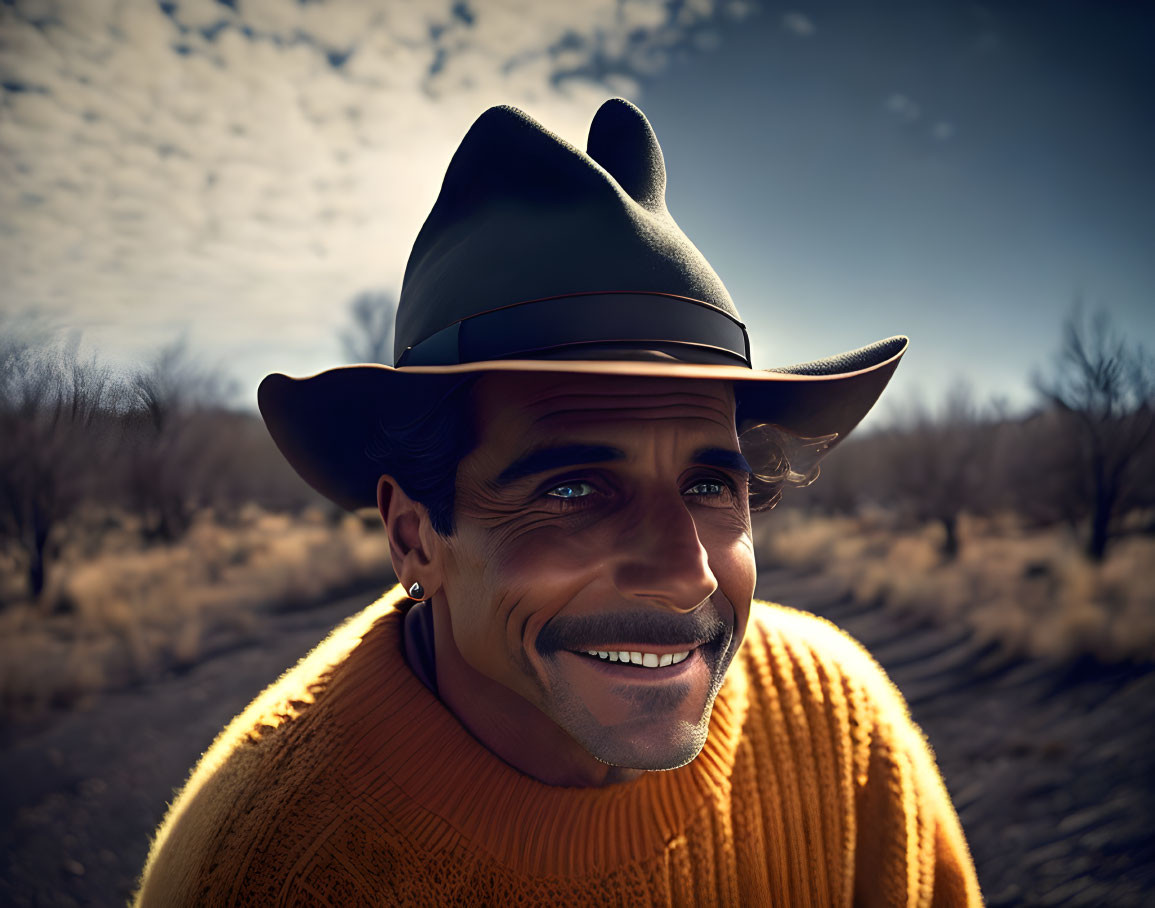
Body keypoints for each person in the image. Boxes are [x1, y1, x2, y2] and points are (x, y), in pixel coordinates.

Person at [134, 98, 982, 906]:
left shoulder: (838, 725)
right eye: (573, 489)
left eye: (709, 485)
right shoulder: (265, 871)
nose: (685, 577)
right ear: (413, 536)